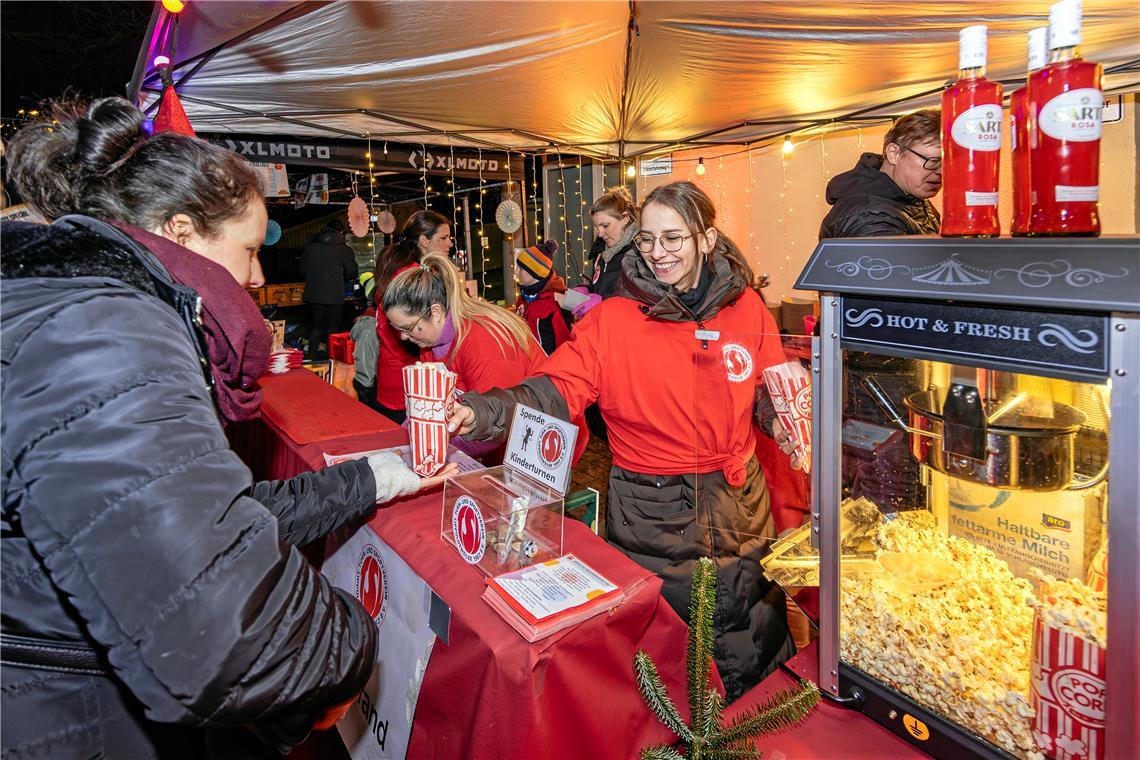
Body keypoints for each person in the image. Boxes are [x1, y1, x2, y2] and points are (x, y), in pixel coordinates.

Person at [0, 97, 454, 758]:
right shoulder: (105, 333)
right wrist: (354, 648)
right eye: (247, 250)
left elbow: (200, 515)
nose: (258, 275)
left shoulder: (80, 308)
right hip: (72, 719)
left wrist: (369, 479)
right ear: (181, 232)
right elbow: (219, 631)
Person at [448, 181, 798, 701]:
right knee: (672, 664)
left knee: (755, 633)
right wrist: (480, 411)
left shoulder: (746, 308)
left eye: (673, 238)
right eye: (648, 240)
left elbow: (770, 386)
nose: (658, 253)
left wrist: (785, 421)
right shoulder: (613, 320)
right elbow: (556, 387)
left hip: (739, 504)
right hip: (651, 510)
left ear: (707, 238)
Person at [371, 209, 453, 424]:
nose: (450, 244)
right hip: (409, 378)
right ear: (424, 240)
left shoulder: (399, 267)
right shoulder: (413, 277)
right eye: (443, 238)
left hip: (392, 375)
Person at [819, 108, 942, 239]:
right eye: (933, 161)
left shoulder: (911, 196)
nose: (941, 172)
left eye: (948, 164)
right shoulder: (868, 215)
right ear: (894, 154)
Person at [300, 217, 358, 358]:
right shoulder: (344, 250)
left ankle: (311, 355)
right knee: (333, 328)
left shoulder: (311, 247)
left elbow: (302, 270)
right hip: (334, 295)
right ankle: (332, 357)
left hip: (313, 295)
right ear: (340, 231)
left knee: (316, 326)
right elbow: (351, 272)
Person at [514, 239, 572, 354]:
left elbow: (564, 341)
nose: (516, 272)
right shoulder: (522, 299)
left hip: (548, 368)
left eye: (520, 269)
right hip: (527, 364)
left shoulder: (557, 300)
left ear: (535, 273)